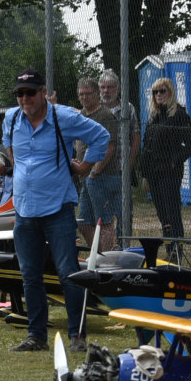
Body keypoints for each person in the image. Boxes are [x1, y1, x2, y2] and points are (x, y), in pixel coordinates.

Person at [3, 68, 107, 353]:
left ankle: (77, 336)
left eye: (30, 93)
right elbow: (10, 149)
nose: (25, 98)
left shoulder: (65, 117)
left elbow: (102, 136)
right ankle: (36, 336)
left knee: (68, 274)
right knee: (30, 275)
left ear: (43, 92)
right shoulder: (11, 118)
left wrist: (85, 166)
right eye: (20, 94)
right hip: (24, 210)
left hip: (58, 209)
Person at [139, 77, 191, 238]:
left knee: (172, 213)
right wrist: (144, 171)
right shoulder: (154, 116)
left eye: (162, 91)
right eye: (155, 92)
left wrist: (175, 160)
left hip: (169, 172)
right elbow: (147, 144)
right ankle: (169, 246)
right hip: (153, 172)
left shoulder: (178, 113)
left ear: (170, 92)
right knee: (162, 215)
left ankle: (177, 250)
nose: (158, 95)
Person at [74, 77, 123, 252]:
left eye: (88, 94)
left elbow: (109, 147)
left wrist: (95, 171)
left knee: (104, 221)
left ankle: (108, 259)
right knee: (84, 222)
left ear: (97, 94)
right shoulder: (81, 116)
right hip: (87, 176)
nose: (84, 97)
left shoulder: (105, 115)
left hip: (102, 176)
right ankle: (99, 254)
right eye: (81, 94)